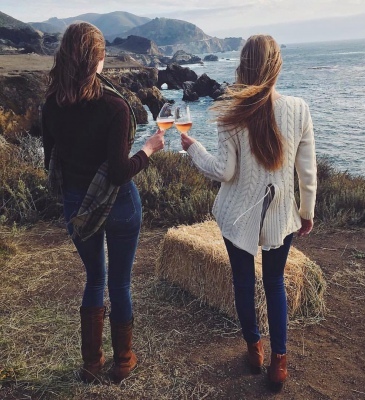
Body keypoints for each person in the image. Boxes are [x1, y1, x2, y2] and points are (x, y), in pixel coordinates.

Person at [181, 34, 317, 391]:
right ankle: (279, 363)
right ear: (276, 66)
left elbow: (225, 172)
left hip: (237, 215)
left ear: (243, 67)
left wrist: (193, 149)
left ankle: (254, 349)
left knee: (243, 283)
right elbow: (307, 170)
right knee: (274, 284)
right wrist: (306, 211)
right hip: (280, 215)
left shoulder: (231, 114)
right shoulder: (299, 109)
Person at [41, 22, 165, 383]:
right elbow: (119, 172)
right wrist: (149, 149)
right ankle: (123, 361)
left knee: (95, 279)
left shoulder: (51, 105)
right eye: (103, 53)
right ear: (96, 59)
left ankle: (91, 364)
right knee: (120, 284)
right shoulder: (115, 105)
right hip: (121, 204)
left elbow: (52, 160)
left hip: (77, 204)